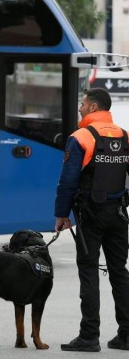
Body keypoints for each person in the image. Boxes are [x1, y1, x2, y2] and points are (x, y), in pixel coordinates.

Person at [54, 87, 129, 352]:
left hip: (91, 214)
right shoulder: (124, 135)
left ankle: (89, 336)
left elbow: (67, 180)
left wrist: (62, 214)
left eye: (83, 105)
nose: (80, 108)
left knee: (89, 271)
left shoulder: (82, 137)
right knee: (119, 272)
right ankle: (127, 335)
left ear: (94, 108)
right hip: (119, 214)